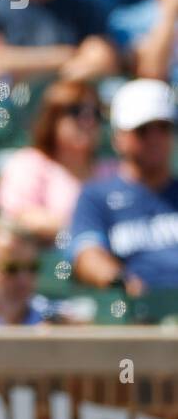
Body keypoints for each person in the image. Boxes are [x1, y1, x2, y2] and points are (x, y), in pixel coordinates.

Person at [71, 77, 178, 292]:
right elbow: (87, 254)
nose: (155, 138)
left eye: (163, 128)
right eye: (143, 130)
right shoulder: (96, 196)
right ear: (118, 137)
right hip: (136, 316)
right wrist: (120, 281)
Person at [0, 80, 107, 243]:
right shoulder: (28, 164)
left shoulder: (113, 170)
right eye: (77, 112)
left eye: (96, 113)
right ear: (53, 117)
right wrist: (91, 227)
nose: (88, 120)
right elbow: (22, 218)